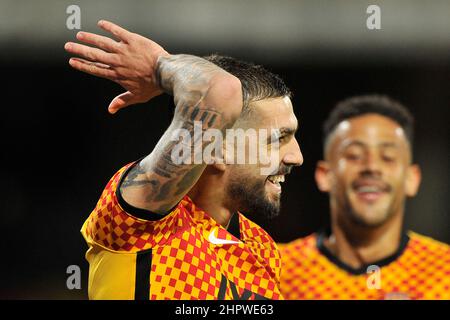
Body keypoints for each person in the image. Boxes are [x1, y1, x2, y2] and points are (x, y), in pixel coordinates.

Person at [65, 20, 303, 300]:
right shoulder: (140, 217)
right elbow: (219, 90)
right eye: (278, 139)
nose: (296, 157)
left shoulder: (261, 247)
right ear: (216, 146)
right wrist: (158, 65)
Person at [280, 94, 450, 300]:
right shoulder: (277, 271)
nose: (371, 167)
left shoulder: (444, 270)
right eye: (354, 155)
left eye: (388, 157)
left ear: (411, 179)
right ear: (325, 176)